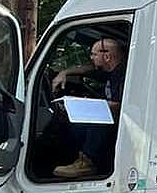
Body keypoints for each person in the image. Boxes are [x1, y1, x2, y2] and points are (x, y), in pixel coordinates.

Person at [51, 36, 127, 180]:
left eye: (94, 54)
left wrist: (81, 106)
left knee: (97, 117)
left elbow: (118, 106)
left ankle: (87, 162)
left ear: (107, 56)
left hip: (120, 123)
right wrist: (65, 73)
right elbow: (89, 70)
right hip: (114, 121)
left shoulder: (121, 75)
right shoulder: (111, 72)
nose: (91, 58)